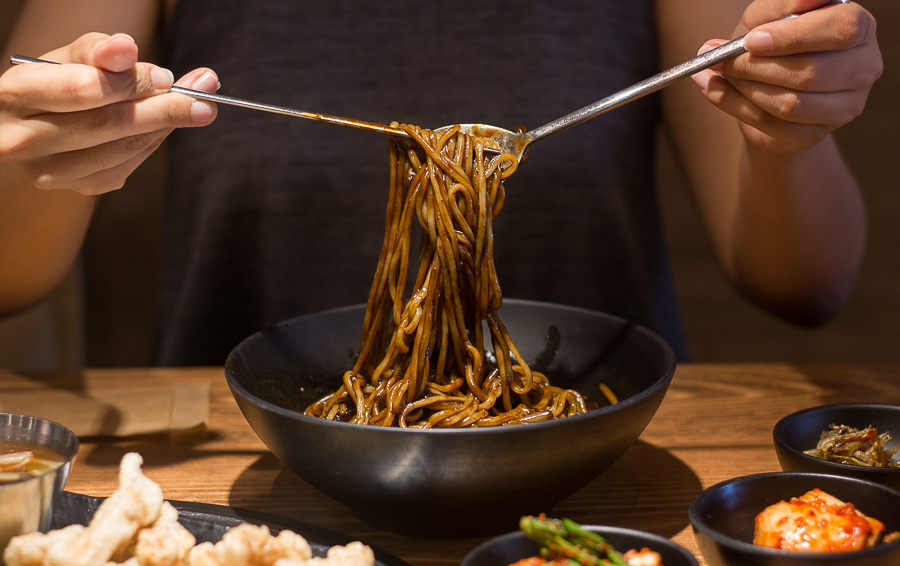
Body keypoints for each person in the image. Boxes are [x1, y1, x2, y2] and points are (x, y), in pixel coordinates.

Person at [0, 0, 882, 366]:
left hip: (597, 469)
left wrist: (789, 129)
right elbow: (10, 274)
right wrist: (47, 135)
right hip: (242, 485)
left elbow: (807, 284)